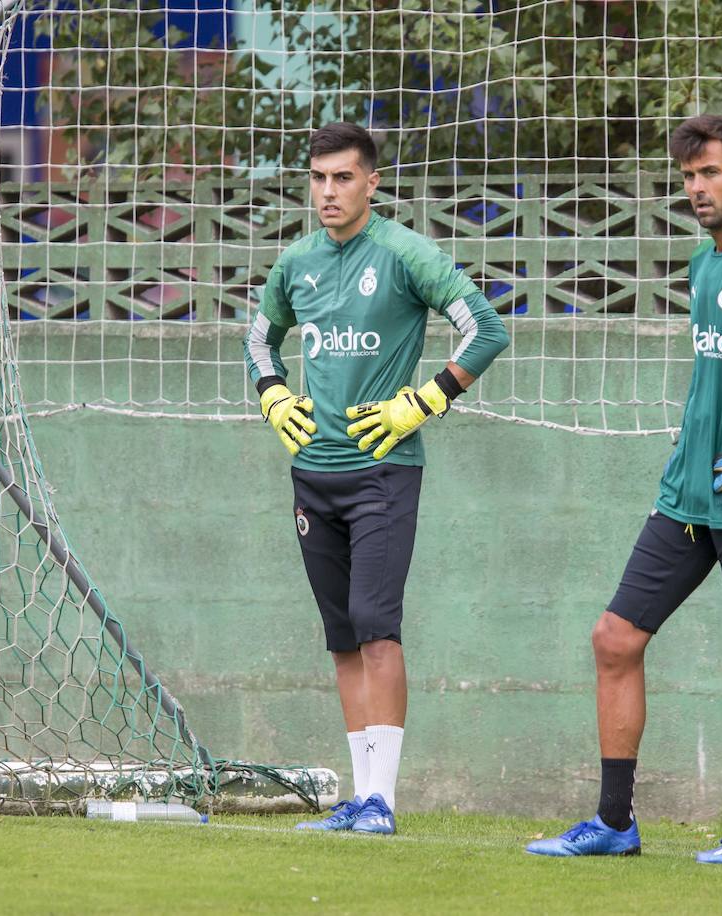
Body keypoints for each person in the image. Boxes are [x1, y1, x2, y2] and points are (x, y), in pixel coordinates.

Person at [526, 114, 722, 864]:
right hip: (687, 496)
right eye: (687, 177)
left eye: (709, 173)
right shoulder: (705, 265)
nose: (696, 188)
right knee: (615, 638)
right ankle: (614, 823)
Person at [243, 122, 509, 835]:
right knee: (341, 636)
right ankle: (360, 799)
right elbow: (258, 335)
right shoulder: (295, 262)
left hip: (383, 472)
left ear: (372, 182)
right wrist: (271, 390)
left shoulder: (404, 254)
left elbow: (486, 329)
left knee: (376, 626)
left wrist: (426, 399)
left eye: (342, 178)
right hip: (313, 474)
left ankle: (383, 802)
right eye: (318, 178)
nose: (328, 192)